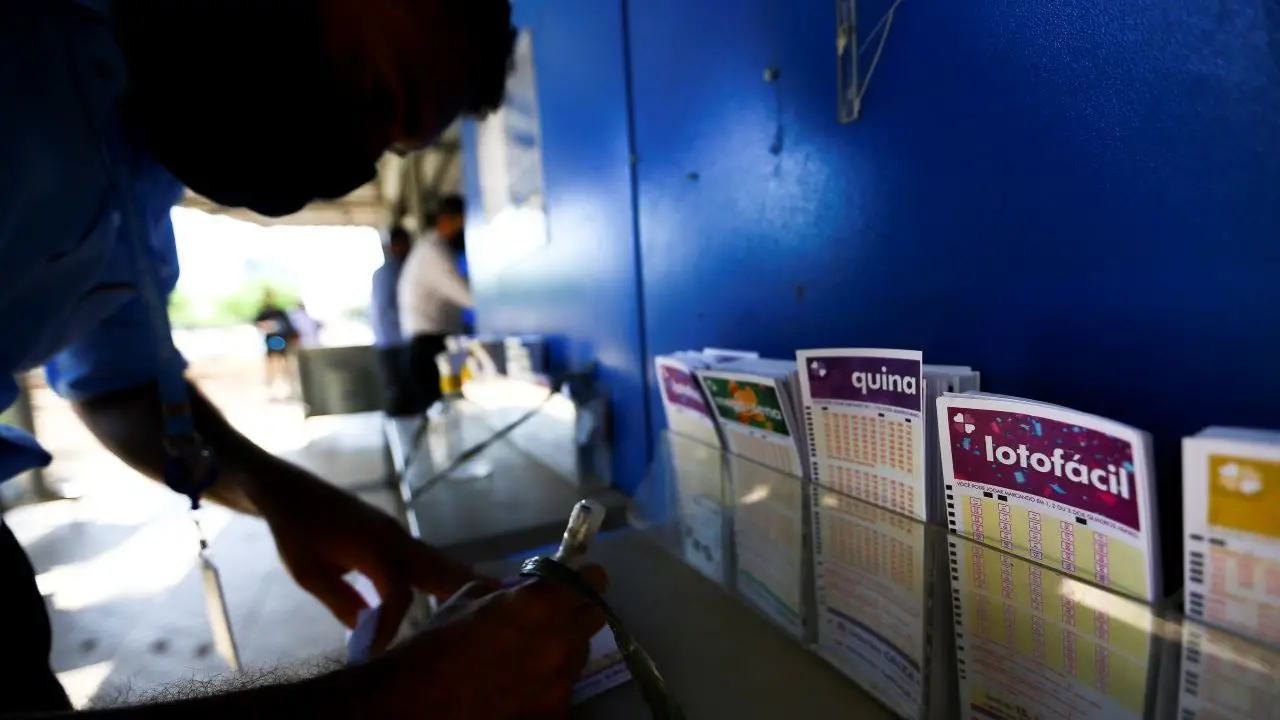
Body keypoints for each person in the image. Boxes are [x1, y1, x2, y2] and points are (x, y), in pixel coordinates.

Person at [0, 0, 607, 717]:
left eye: (385, 149)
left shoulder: (137, 161)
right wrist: (409, 695)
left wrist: (274, 490)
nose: (344, 166)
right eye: (375, 90)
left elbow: (117, 384)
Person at [398, 196, 475, 415]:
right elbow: (468, 297)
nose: (464, 230)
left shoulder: (435, 249)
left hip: (431, 344)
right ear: (446, 221)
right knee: (440, 419)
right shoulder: (433, 253)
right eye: (462, 223)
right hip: (429, 348)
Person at [371, 227, 414, 416]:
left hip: (391, 344)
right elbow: (389, 310)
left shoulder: (389, 271)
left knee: (400, 396)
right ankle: (401, 443)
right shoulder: (391, 271)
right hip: (396, 345)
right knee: (401, 398)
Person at [254, 289, 299, 400]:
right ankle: (273, 392)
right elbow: (257, 323)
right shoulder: (264, 312)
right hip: (272, 343)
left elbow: (289, 328)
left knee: (285, 367)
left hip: (282, 342)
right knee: (272, 367)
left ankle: (287, 390)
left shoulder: (279, 312)